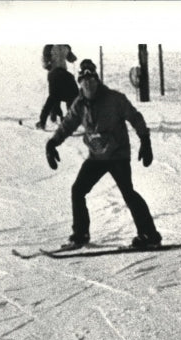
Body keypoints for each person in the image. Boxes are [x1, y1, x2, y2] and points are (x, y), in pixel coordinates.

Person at [45, 59, 162, 251]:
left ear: (97, 81)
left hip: (117, 155)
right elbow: (67, 125)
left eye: (92, 80)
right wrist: (52, 143)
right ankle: (80, 234)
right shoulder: (79, 104)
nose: (89, 84)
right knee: (78, 190)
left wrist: (145, 140)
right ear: (80, 83)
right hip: (97, 157)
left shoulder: (114, 99)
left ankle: (150, 235)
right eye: (85, 81)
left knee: (129, 194)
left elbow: (134, 116)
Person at [37, 45, 79, 130]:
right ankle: (45, 120)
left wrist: (72, 57)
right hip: (54, 73)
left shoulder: (64, 46)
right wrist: (47, 64)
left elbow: (70, 57)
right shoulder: (50, 47)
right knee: (54, 97)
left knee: (72, 93)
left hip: (62, 72)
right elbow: (45, 61)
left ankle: (68, 120)